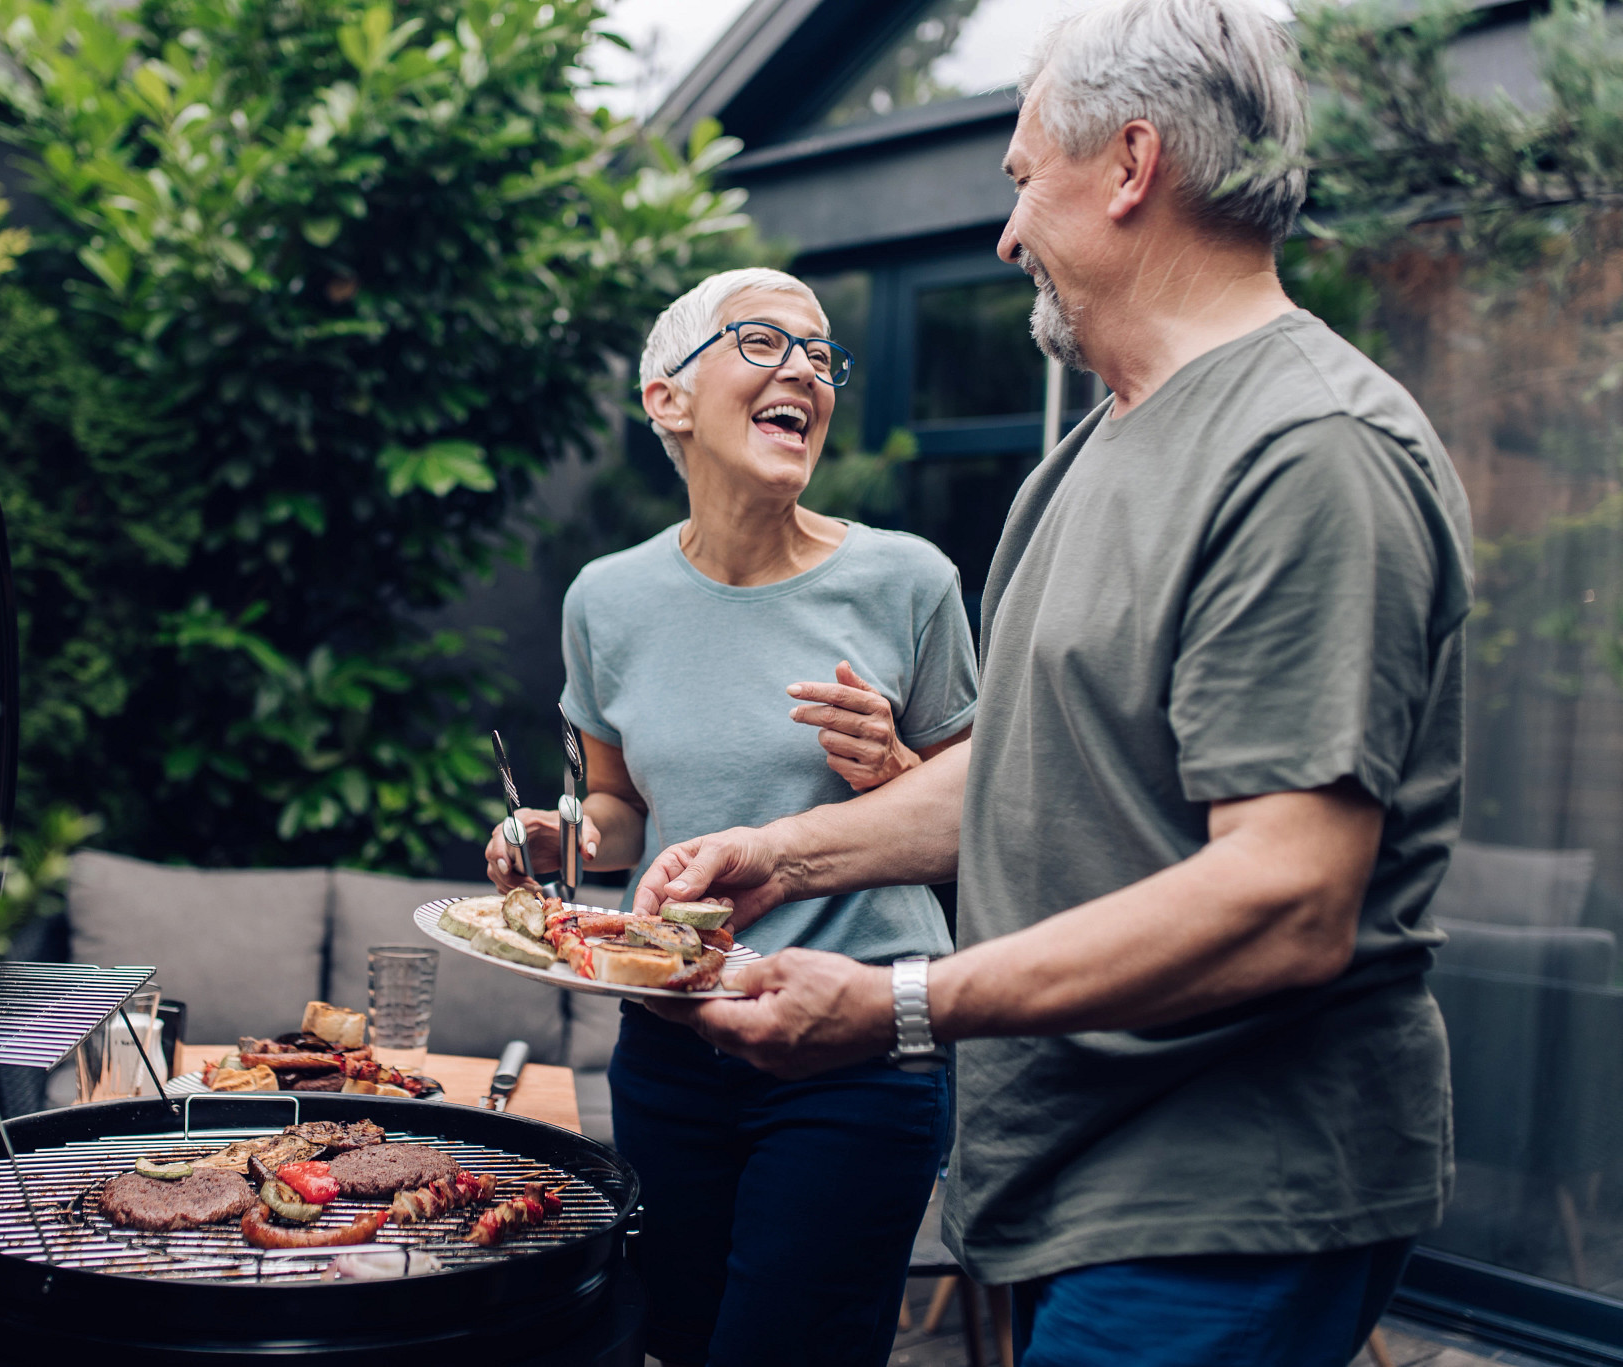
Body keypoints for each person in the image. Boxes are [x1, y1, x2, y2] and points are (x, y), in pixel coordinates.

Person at [628, 3, 1474, 1364]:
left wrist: (899, 1002)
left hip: (1222, 1196)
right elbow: (1024, 764)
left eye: (1024, 179)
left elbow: (1287, 897)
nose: (1010, 233)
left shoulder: (1311, 450)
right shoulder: (1096, 450)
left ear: (1130, 164)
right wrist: (779, 854)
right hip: (1078, 1179)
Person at [481, 266, 977, 1366]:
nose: (804, 366)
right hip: (667, 1049)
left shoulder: (908, 582)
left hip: (849, 1057)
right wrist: (560, 838)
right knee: (677, 1338)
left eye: (818, 353)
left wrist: (894, 762)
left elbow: (976, 810)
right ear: (667, 397)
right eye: (763, 339)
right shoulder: (604, 600)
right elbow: (615, 805)